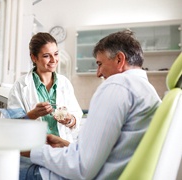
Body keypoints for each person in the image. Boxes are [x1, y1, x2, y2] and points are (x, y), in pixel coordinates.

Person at [21, 30, 162, 180]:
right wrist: (68, 146)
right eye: (46, 55)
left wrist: (33, 151)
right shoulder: (147, 91)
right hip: (71, 160)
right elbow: (110, 153)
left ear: (120, 59)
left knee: (4, 166)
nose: (98, 73)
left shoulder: (118, 85)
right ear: (34, 58)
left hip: (62, 172)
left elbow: (81, 167)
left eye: (100, 64)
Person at [7, 32, 83, 180]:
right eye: (47, 56)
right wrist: (32, 114)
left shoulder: (64, 83)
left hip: (61, 150)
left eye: (56, 54)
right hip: (32, 153)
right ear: (34, 57)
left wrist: (69, 120)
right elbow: (12, 127)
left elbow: (76, 116)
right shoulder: (20, 86)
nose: (54, 60)